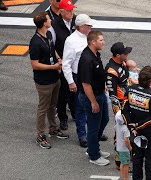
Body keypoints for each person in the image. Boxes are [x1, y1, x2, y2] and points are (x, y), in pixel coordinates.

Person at [29, 11, 69, 149]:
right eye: (48, 19)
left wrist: (58, 59)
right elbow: (35, 64)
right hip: (43, 81)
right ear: (43, 23)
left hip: (54, 77)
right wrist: (53, 66)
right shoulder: (35, 42)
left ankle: (53, 128)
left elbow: (53, 50)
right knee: (43, 108)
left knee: (53, 105)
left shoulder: (49, 34)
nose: (50, 20)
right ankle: (40, 135)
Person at [121, 66, 151, 180]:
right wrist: (137, 126)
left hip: (135, 132)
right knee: (150, 159)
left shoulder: (129, 90)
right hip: (150, 133)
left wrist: (131, 127)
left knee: (137, 158)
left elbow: (124, 110)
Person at [78, 31, 110, 166]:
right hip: (91, 97)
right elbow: (86, 84)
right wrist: (93, 102)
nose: (103, 42)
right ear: (93, 42)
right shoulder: (86, 59)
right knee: (93, 127)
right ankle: (94, 156)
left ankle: (93, 147)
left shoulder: (95, 54)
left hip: (100, 93)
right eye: (101, 40)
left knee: (104, 119)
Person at [62, 14, 92, 147]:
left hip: (91, 76)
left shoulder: (89, 37)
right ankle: (82, 135)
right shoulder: (71, 40)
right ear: (81, 27)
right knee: (80, 107)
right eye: (88, 25)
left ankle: (93, 131)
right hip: (78, 77)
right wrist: (70, 81)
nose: (91, 27)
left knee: (93, 104)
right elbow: (66, 63)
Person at [49, 0, 76, 131]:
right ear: (61, 12)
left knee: (76, 91)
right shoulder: (54, 25)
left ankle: (75, 113)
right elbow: (51, 45)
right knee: (63, 93)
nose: (71, 12)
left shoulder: (76, 21)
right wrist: (58, 60)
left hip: (76, 63)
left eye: (72, 10)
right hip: (63, 63)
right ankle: (63, 118)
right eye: (69, 10)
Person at [105, 42, 132, 169]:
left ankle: (127, 153)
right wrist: (118, 113)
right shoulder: (111, 70)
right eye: (124, 53)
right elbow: (112, 94)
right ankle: (118, 161)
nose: (126, 54)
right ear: (117, 55)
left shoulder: (122, 63)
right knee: (120, 131)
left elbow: (126, 80)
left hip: (127, 102)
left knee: (129, 130)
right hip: (120, 104)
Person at [115, 111, 132, 180]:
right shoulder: (125, 129)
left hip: (118, 147)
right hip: (124, 149)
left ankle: (123, 177)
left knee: (122, 163)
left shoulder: (118, 125)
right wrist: (130, 147)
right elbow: (126, 140)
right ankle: (125, 178)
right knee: (126, 164)